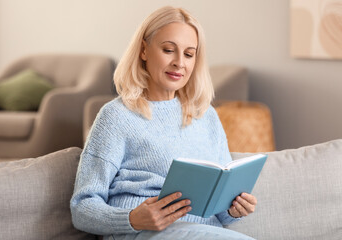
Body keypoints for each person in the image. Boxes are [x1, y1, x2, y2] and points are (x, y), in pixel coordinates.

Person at [70, 6, 257, 240]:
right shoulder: (116, 116)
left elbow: (222, 210)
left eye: (189, 54)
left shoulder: (206, 115)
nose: (180, 62)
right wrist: (131, 219)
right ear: (144, 50)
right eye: (169, 50)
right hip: (143, 233)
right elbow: (82, 208)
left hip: (204, 232)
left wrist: (235, 209)